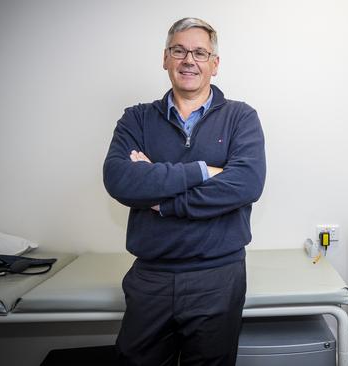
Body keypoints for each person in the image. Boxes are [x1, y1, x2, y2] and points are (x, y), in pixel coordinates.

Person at [103, 17, 266, 366]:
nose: (189, 60)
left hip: (218, 277)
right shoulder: (137, 119)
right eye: (179, 50)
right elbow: (119, 180)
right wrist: (204, 171)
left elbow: (246, 184)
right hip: (151, 277)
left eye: (200, 52)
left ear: (215, 64)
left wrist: (162, 201)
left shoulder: (241, 117)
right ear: (165, 59)